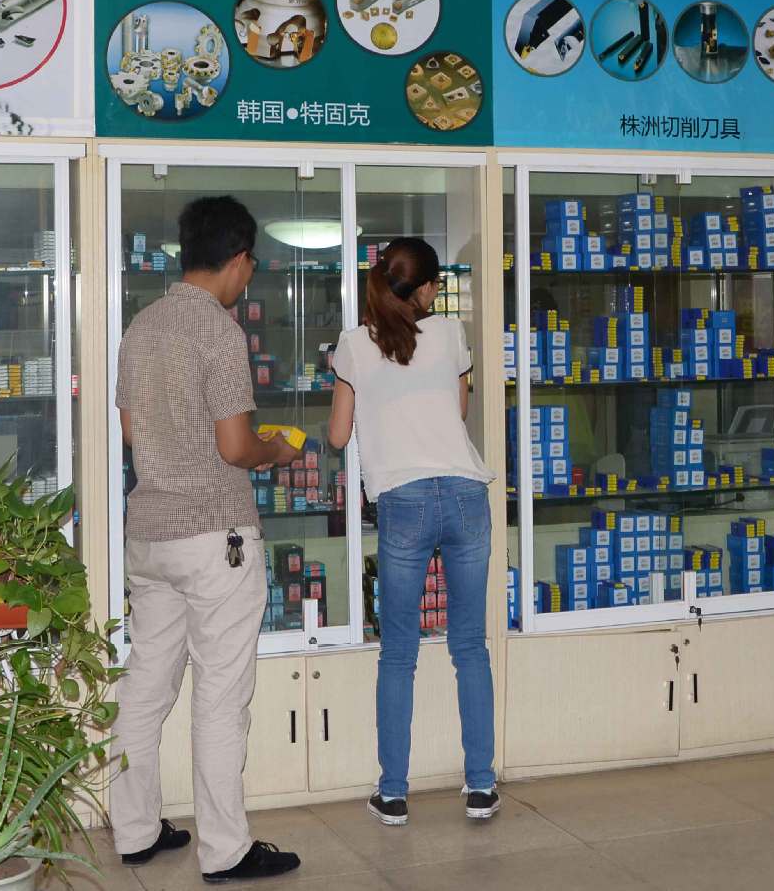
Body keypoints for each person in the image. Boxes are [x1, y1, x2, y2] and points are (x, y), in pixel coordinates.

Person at [111, 195, 304, 883]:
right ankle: (226, 850)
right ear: (239, 259)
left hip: (150, 534)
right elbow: (234, 446)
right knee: (221, 696)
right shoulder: (219, 331)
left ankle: (134, 830)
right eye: (251, 265)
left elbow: (132, 431)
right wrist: (275, 451)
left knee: (145, 685)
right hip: (215, 537)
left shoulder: (141, 326)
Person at [328, 237, 498, 826]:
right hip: (466, 492)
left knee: (399, 652)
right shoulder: (450, 335)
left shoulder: (353, 345)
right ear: (424, 289)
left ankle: (394, 793)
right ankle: (481, 787)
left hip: (404, 500)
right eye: (436, 286)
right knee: (469, 646)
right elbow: (458, 413)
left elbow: (337, 435)